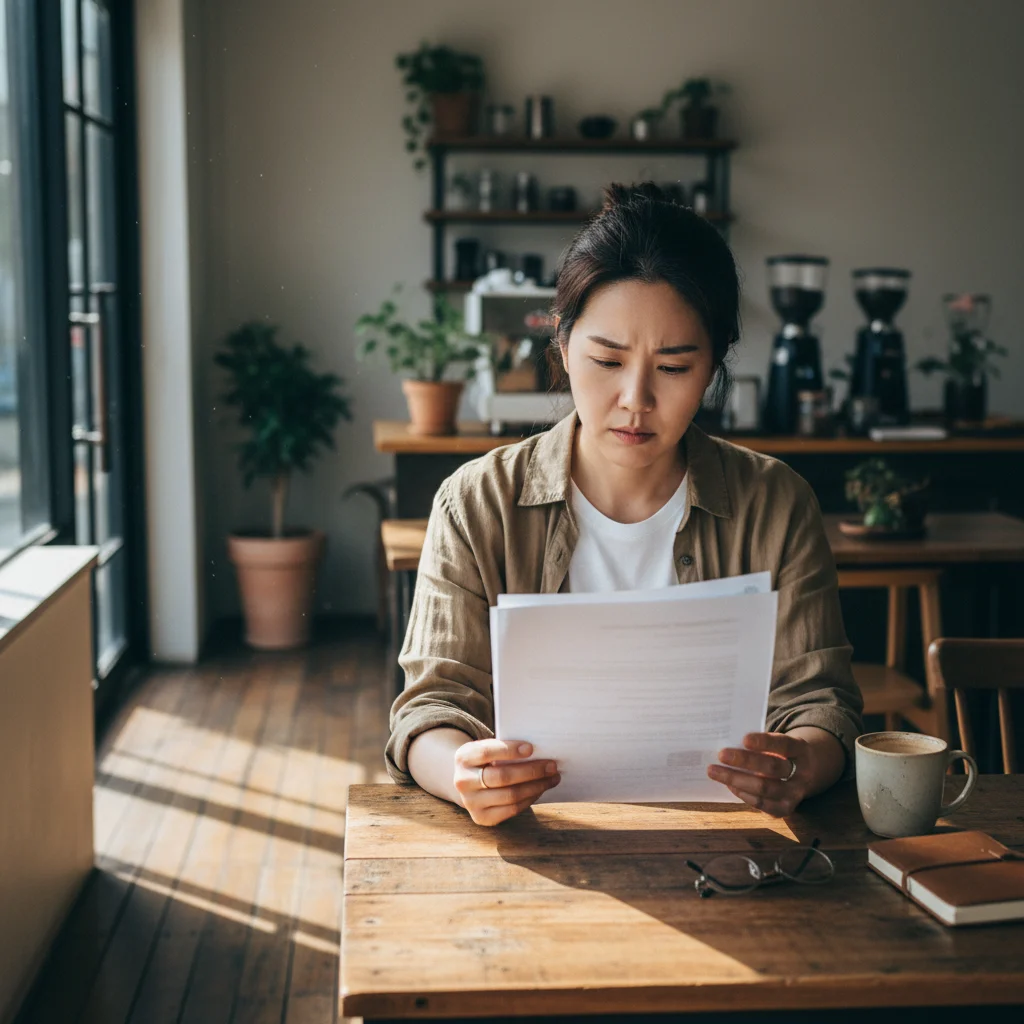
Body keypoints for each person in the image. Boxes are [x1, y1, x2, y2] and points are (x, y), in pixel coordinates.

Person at [385, 181, 863, 827]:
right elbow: (429, 710)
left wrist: (797, 766)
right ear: (561, 341)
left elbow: (821, 705)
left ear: (715, 362)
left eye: (673, 368)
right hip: (535, 847)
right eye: (607, 360)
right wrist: (463, 773)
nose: (635, 399)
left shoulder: (775, 505)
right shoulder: (476, 504)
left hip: (729, 845)